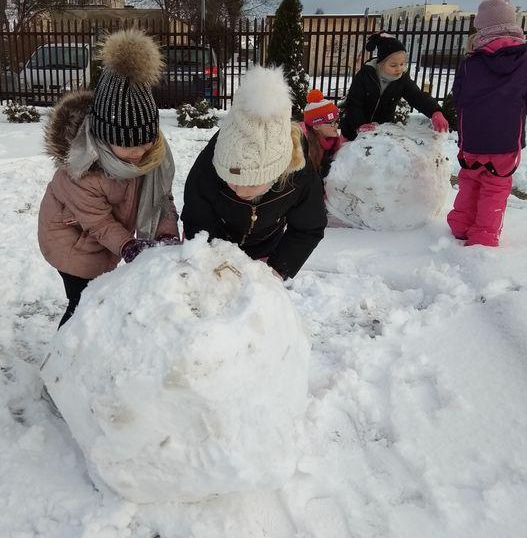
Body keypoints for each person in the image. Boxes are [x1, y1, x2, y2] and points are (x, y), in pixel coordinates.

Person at [38, 28, 180, 327]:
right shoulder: (82, 169)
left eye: (145, 141)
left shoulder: (152, 156)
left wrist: (166, 232)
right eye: (127, 145)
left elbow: (161, 197)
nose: (138, 153)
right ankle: (66, 350)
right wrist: (128, 245)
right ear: (104, 138)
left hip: (107, 239)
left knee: (99, 301)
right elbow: (99, 223)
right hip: (72, 241)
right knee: (83, 305)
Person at [181, 66, 327, 280]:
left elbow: (309, 227)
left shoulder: (299, 175)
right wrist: (208, 259)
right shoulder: (214, 161)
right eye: (232, 181)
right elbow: (197, 215)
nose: (241, 191)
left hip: (265, 248)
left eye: (252, 183)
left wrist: (278, 269)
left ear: (275, 173)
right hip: (217, 241)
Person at [447, 0, 527, 247]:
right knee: (496, 187)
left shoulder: (471, 61)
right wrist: (510, 115)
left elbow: (458, 96)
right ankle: (484, 235)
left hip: (473, 136)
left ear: (481, 26)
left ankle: (460, 225)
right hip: (506, 139)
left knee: (469, 180)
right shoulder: (526, 60)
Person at [340, 32, 449, 140]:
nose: (399, 69)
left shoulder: (402, 79)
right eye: (393, 65)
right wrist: (360, 125)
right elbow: (354, 103)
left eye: (402, 64)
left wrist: (435, 111)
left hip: (380, 134)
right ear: (380, 63)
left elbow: (417, 96)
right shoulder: (366, 75)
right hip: (352, 133)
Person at [302, 89, 345, 179]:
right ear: (316, 126)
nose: (336, 125)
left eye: (336, 121)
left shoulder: (334, 142)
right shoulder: (303, 147)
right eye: (331, 122)